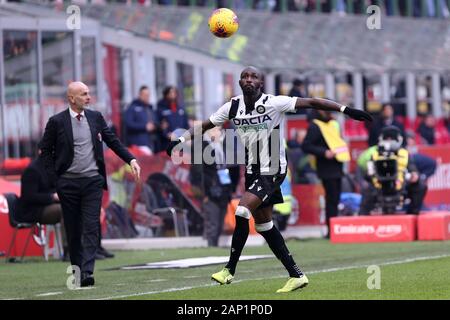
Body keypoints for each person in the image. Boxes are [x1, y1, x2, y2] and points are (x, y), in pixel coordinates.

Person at [167, 66, 372, 293]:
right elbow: (207, 124)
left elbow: (312, 102)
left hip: (273, 168)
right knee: (264, 225)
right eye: (245, 76)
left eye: (254, 76)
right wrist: (180, 139)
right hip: (253, 170)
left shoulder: (274, 103)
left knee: (242, 211)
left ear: (260, 83)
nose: (248, 79)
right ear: (240, 82)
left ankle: (229, 270)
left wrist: (346, 109)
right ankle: (296, 275)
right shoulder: (232, 106)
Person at [39, 81, 141, 287]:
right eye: (84, 94)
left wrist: (131, 160)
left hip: (93, 181)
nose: (88, 97)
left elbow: (113, 141)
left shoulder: (96, 118)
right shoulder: (56, 122)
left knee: (91, 226)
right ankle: (76, 272)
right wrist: (55, 181)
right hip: (67, 184)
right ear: (71, 98)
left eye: (88, 93)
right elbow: (45, 152)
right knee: (74, 230)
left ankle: (87, 272)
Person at [302, 110, 349, 238]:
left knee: (335, 199)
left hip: (337, 166)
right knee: (331, 200)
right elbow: (306, 146)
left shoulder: (332, 124)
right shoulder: (315, 126)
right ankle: (331, 230)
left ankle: (334, 228)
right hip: (326, 168)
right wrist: (324, 152)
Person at [359, 126, 427, 215]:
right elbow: (367, 174)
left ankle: (412, 214)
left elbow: (412, 167)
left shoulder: (404, 153)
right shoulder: (374, 154)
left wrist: (414, 175)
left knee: (420, 186)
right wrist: (370, 174)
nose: (389, 141)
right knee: (367, 190)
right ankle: (362, 220)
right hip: (379, 185)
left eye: (392, 138)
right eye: (387, 138)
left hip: (400, 184)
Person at [190, 126, 233, 247]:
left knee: (220, 220)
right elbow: (197, 171)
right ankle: (211, 245)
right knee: (212, 220)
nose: (220, 132)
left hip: (223, 187)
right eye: (217, 130)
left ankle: (215, 244)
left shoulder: (221, 146)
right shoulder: (202, 146)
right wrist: (203, 192)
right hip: (209, 188)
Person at [123, 85, 159, 153]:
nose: (147, 97)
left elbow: (155, 121)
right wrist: (144, 127)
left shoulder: (150, 108)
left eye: (148, 95)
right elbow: (129, 124)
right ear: (140, 95)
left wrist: (156, 126)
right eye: (144, 95)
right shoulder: (132, 108)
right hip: (138, 144)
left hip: (151, 143)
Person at [157, 86, 189, 152]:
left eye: (174, 92)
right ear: (166, 95)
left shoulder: (181, 109)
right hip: (166, 142)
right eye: (170, 93)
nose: (172, 95)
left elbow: (186, 124)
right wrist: (166, 134)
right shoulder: (161, 109)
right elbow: (159, 125)